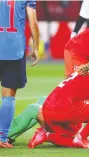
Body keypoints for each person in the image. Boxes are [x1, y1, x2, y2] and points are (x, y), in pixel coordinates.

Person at [0, 0, 40, 148]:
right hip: (14, 49)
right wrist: (36, 47)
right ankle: (2, 137)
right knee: (8, 96)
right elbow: (33, 22)